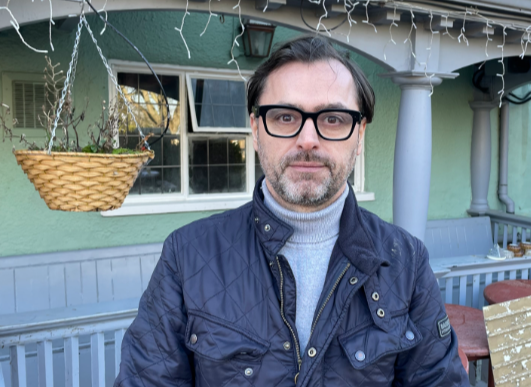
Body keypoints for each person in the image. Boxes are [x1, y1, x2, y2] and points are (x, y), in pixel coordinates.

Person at [115, 35, 469, 387]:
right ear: (256, 130)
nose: (308, 139)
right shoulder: (187, 256)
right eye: (285, 117)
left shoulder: (406, 261)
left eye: (332, 119)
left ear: (359, 135)